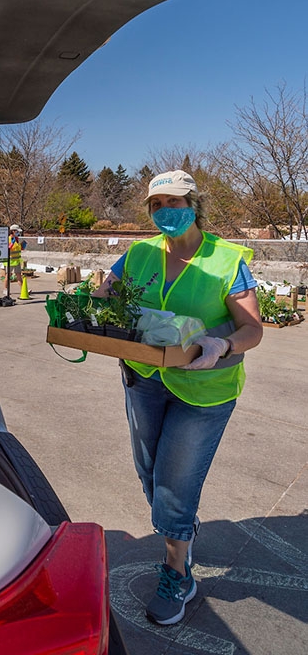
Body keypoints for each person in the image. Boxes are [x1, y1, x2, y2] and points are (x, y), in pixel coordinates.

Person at [93, 169, 262, 626]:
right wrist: (99, 297)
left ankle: (177, 572)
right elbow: (106, 296)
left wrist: (221, 345)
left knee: (173, 485)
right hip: (145, 379)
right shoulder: (139, 253)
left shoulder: (227, 259)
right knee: (152, 476)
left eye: (175, 202)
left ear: (194, 204)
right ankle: (181, 527)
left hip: (205, 392)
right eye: (157, 205)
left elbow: (252, 329)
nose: (167, 212)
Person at [3, 224, 27, 295]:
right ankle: (5, 289)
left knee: (19, 275)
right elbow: (7, 249)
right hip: (9, 261)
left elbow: (18, 249)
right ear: (13, 231)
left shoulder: (17, 239)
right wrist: (11, 244)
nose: (18, 233)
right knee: (8, 275)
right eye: (17, 231)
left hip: (16, 261)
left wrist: (22, 246)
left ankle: (23, 289)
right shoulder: (8, 239)